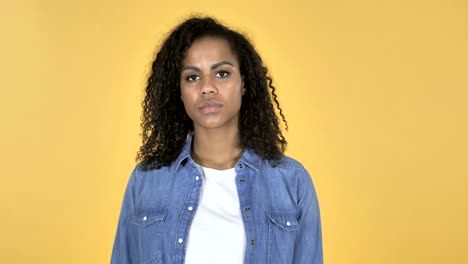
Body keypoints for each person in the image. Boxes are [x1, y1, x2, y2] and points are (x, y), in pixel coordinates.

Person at [111, 16, 323, 264]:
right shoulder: (146, 180)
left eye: (222, 73)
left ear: (244, 83)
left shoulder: (292, 181)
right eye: (192, 77)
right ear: (179, 91)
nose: (207, 87)